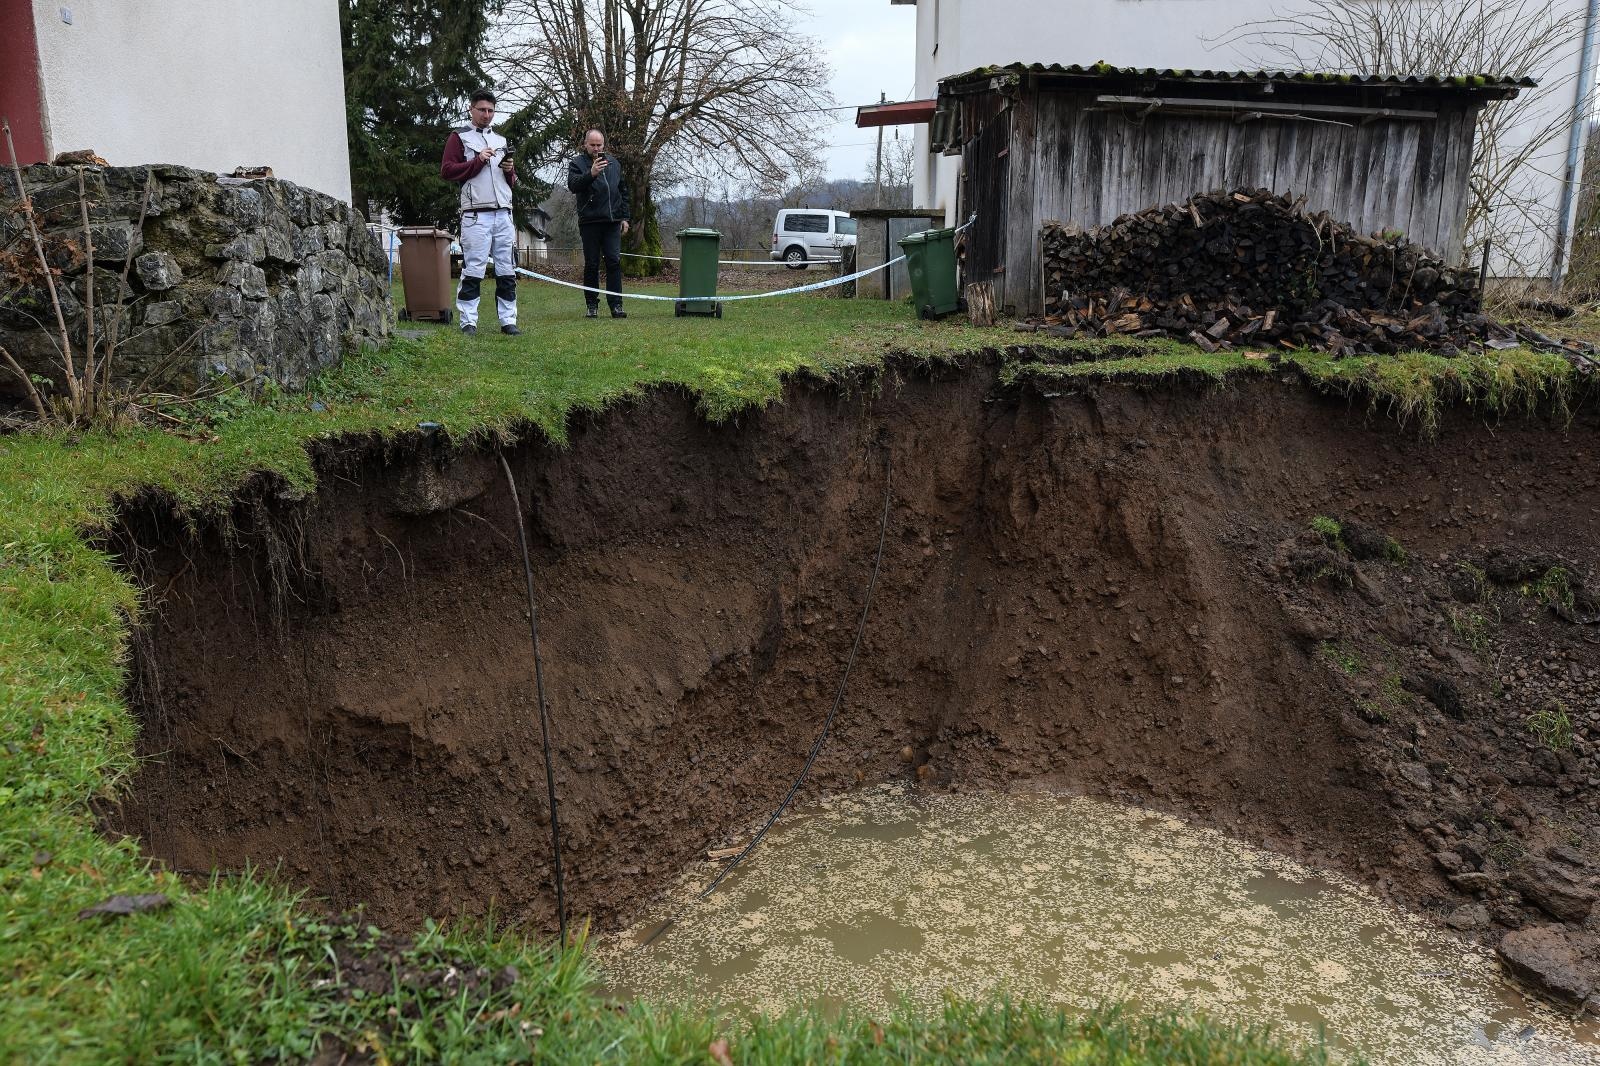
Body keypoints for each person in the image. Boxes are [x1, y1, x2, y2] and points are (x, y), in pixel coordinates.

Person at [440, 90, 520, 336]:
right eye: (482, 110)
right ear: (471, 109)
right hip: (476, 214)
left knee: (507, 269)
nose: (487, 115)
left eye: (491, 111)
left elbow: (511, 181)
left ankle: (508, 320)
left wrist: (509, 169)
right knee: (474, 268)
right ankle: (468, 321)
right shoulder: (459, 138)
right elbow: (447, 171)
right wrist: (478, 161)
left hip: (503, 213)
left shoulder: (500, 140)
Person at [566, 129, 631, 318]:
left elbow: (623, 191)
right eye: (592, 145)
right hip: (590, 221)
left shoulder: (614, 163)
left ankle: (616, 305)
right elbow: (573, 185)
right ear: (585, 144)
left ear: (604, 145)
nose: (596, 149)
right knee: (592, 265)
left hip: (612, 221)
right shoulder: (577, 163)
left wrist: (624, 217)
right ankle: (591, 305)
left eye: (599, 145)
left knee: (614, 262)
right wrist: (591, 173)